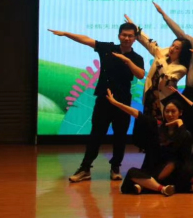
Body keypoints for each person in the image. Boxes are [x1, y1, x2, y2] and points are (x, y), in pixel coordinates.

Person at [49, 24, 145, 183]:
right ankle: (85, 168)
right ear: (119, 35)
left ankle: (115, 167)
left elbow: (140, 74)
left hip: (122, 102)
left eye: (130, 36)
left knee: (120, 135)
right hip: (104, 99)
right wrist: (66, 33)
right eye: (124, 35)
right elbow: (86, 40)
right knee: (96, 134)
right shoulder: (108, 48)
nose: (127, 38)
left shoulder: (137, 58)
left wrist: (127, 60)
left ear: (135, 38)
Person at [106, 90, 193, 196]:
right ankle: (161, 188)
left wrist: (180, 124)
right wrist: (115, 103)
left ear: (180, 113)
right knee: (132, 172)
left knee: (173, 163)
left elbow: (184, 158)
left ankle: (145, 185)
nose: (170, 114)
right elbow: (136, 114)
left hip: (172, 173)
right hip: (153, 170)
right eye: (167, 111)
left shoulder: (185, 133)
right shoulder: (157, 126)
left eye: (173, 111)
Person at [123, 14, 192, 119]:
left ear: (182, 52)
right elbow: (148, 42)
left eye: (177, 48)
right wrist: (135, 28)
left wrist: (160, 59)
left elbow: (166, 76)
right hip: (150, 96)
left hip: (164, 101)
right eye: (172, 45)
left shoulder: (181, 68)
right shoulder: (163, 53)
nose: (172, 49)